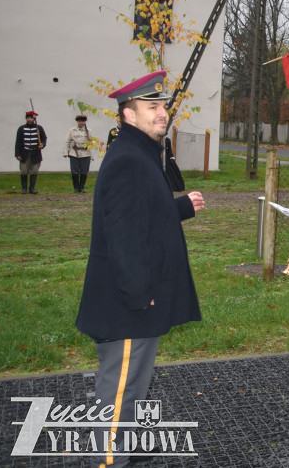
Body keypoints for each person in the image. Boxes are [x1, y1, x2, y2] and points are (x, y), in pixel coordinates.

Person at [75, 70, 205, 467]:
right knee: (120, 392)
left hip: (135, 299)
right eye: (152, 107)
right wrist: (138, 293)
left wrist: (180, 207)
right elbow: (124, 237)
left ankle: (125, 449)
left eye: (163, 105)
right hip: (129, 303)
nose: (162, 113)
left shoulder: (138, 153)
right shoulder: (131, 159)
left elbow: (141, 213)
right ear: (128, 114)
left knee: (133, 386)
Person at [15, 110, 46, 194]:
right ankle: (24, 189)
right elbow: (18, 142)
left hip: (35, 152)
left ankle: (32, 189)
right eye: (28, 118)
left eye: (31, 118)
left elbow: (44, 139)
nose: (29, 120)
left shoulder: (39, 128)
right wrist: (17, 154)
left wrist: (42, 145)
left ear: (34, 119)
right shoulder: (21, 128)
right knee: (24, 171)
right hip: (24, 152)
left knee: (34, 171)